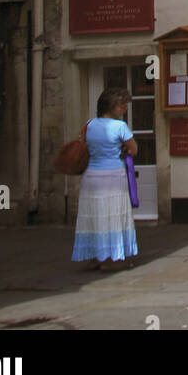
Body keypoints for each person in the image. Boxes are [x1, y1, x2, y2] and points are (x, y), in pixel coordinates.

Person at [71, 86, 138, 271]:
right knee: (113, 217)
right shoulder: (120, 127)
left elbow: (83, 144)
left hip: (91, 176)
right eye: (121, 105)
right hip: (113, 176)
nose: (125, 108)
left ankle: (95, 258)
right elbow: (133, 149)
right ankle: (111, 259)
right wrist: (123, 149)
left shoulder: (89, 124)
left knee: (94, 217)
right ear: (111, 106)